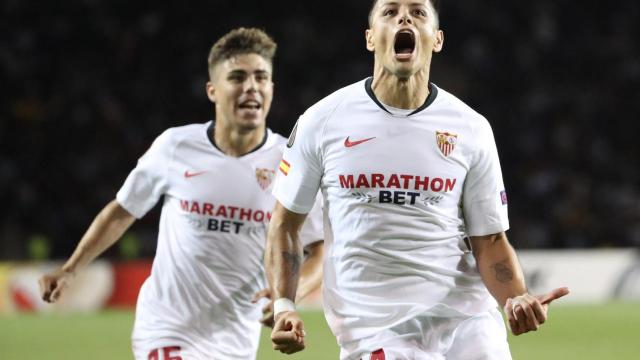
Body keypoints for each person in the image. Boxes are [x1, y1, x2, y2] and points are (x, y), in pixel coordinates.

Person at [265, 1, 569, 359]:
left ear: (437, 40)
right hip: (376, 328)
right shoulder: (322, 121)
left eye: (418, 12)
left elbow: (489, 240)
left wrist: (515, 298)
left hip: (467, 322)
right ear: (370, 38)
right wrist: (284, 305)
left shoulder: (470, 128)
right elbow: (285, 224)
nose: (404, 17)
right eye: (390, 12)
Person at [38, 27, 324, 360]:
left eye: (261, 77)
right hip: (165, 328)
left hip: (235, 340)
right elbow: (122, 210)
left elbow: (319, 250)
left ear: (271, 88)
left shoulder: (287, 163)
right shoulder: (176, 147)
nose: (251, 86)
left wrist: (287, 298)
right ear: (212, 90)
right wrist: (71, 268)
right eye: (237, 77)